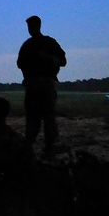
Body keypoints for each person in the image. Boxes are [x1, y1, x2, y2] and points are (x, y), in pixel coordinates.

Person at [17, 15, 67, 156]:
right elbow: (20, 64)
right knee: (33, 120)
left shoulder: (49, 43)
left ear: (38, 26)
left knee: (48, 118)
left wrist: (47, 58)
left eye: (32, 26)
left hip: (45, 87)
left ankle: (48, 148)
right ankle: (29, 149)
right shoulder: (27, 45)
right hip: (33, 87)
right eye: (29, 27)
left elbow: (62, 60)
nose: (30, 29)